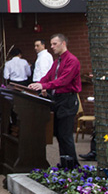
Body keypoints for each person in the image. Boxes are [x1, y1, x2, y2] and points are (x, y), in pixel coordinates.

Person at [29, 33, 81, 169]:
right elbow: (49, 76)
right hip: (58, 99)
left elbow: (64, 80)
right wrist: (37, 85)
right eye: (51, 44)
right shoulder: (58, 61)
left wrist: (44, 86)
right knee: (59, 134)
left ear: (63, 43)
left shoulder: (72, 60)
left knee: (65, 134)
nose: (51, 47)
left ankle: (72, 166)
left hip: (67, 99)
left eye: (54, 44)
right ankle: (65, 164)